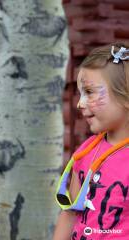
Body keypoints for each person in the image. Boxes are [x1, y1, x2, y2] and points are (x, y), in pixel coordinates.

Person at [53, 43, 129, 240]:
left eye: (90, 92)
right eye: (80, 93)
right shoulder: (86, 151)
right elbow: (70, 213)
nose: (80, 103)